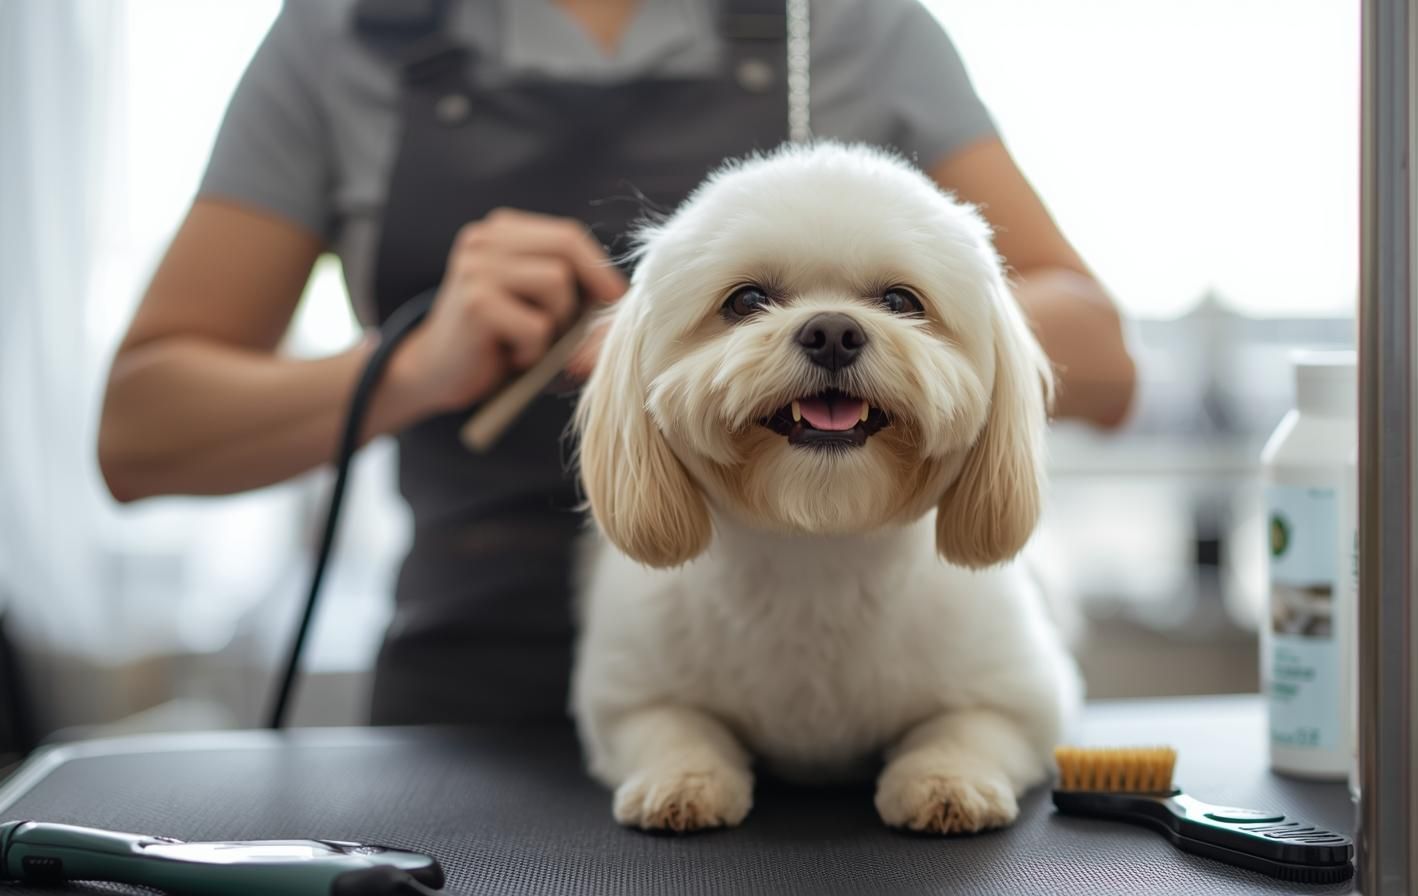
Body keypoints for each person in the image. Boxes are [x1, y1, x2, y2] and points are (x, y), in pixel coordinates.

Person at [97, 0, 1136, 726]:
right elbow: (139, 434)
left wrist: (874, 330)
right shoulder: (336, 37)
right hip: (466, 687)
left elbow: (1098, 356)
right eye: (749, 299)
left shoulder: (852, 23)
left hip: (842, 677)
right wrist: (414, 365)